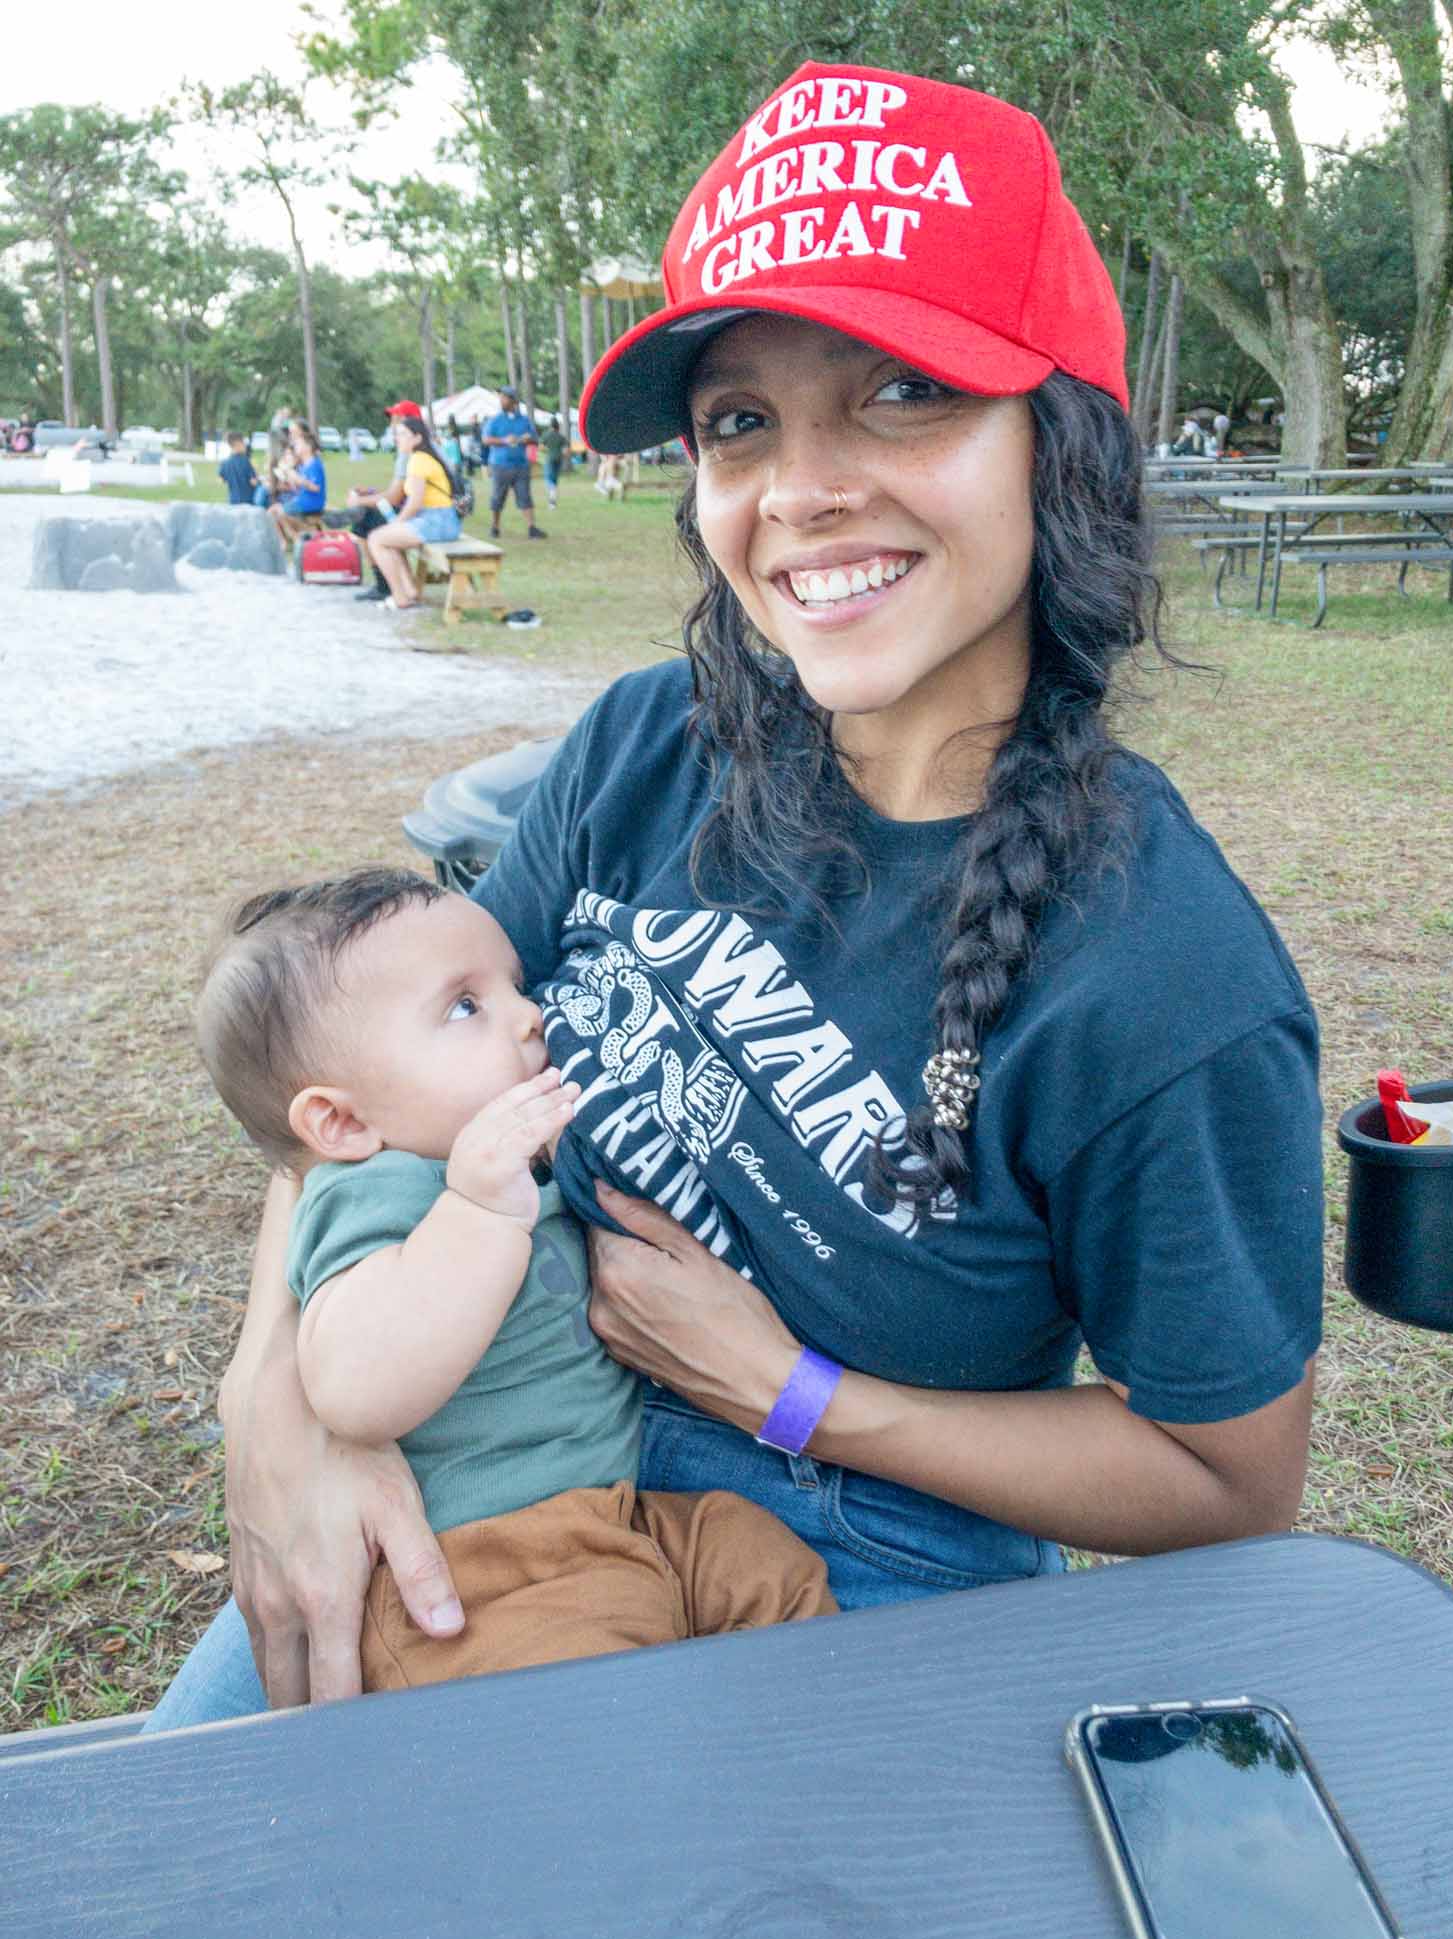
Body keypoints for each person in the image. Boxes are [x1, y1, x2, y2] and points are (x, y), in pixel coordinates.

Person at [147, 63, 1322, 1728]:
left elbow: (1228, 1474)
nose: (800, 490)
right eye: (740, 421)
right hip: (493, 1452)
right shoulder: (648, 742)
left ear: (1060, 442)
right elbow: (360, 1076)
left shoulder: (1165, 981)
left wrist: (796, 1395)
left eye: (905, 389)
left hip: (871, 1545)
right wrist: (276, 1402)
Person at [192, 868, 835, 1693]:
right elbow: (354, 1388)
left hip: (614, 1521)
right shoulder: (375, 1191)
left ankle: (819, 1728)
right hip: (486, 1575)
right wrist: (478, 1214)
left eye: (515, 986)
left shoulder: (488, 1165)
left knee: (762, 1565)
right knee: (595, 1714)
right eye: (465, 1006)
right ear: (343, 1122)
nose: (530, 1015)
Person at [366, 410, 462, 610]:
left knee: (376, 539)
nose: (397, 438)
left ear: (417, 438)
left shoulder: (419, 460)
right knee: (385, 539)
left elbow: (415, 502)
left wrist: (398, 521)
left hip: (436, 522)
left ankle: (399, 597)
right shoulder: (420, 458)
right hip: (439, 520)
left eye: (402, 434)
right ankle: (409, 591)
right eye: (396, 434)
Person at [342, 398, 422, 603]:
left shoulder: (410, 453)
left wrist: (361, 501)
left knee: (365, 519)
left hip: (420, 517)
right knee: (366, 514)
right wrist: (369, 493)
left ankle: (386, 585)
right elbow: (399, 493)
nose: (392, 426)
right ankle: (389, 583)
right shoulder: (413, 450)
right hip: (417, 513)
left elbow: (395, 497)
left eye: (396, 420)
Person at [482, 386, 546, 541]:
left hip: (521, 465)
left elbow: (535, 439)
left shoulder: (524, 420)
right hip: (500, 465)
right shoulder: (495, 420)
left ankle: (532, 528)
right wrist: (504, 440)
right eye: (501, 397)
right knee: (498, 497)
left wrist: (527, 439)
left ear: (513, 401)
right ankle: (495, 527)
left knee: (525, 497)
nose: (501, 400)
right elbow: (486, 440)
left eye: (505, 398)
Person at [266, 420, 327, 555]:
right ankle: (289, 539)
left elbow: (315, 488)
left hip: (311, 503)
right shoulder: (305, 465)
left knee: (277, 511)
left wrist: (299, 480)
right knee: (273, 511)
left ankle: (294, 538)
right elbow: (299, 488)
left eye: (299, 445)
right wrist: (290, 478)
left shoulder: (314, 464)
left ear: (307, 447)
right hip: (302, 500)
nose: (296, 447)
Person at [217, 433, 258, 506]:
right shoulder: (246, 461)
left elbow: (221, 480)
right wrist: (256, 473)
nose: (245, 446)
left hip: (233, 501)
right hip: (247, 501)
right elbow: (253, 482)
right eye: (243, 444)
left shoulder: (224, 463)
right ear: (237, 444)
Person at [541, 418, 566, 508]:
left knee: (548, 479)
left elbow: (541, 447)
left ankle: (552, 499)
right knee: (554, 479)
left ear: (550, 425)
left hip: (549, 459)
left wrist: (547, 450)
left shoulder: (546, 435)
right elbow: (566, 449)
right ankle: (552, 501)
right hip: (559, 459)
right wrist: (562, 455)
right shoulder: (560, 436)